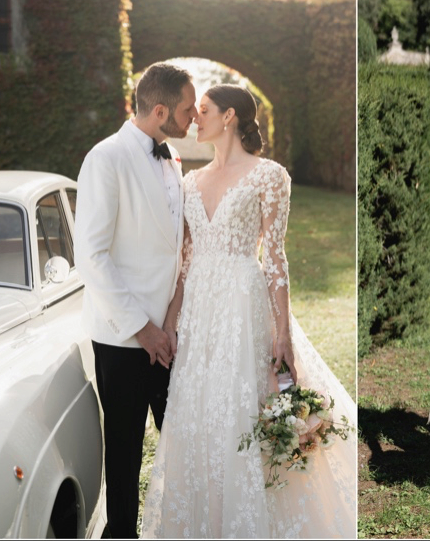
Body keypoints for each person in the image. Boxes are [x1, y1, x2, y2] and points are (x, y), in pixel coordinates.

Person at [140, 84, 357, 538]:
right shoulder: (188, 182)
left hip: (244, 307)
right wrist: (171, 324)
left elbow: (275, 258)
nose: (195, 119)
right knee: (201, 419)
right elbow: (184, 264)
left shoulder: (269, 176)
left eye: (203, 111)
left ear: (231, 117)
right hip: (200, 316)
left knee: (247, 413)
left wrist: (283, 334)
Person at [74, 61, 197, 538]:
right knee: (124, 453)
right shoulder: (105, 158)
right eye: (186, 110)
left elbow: (172, 248)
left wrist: (169, 326)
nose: (193, 118)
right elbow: (92, 257)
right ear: (161, 110)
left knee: (180, 444)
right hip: (123, 338)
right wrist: (142, 329)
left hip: (169, 336)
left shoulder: (174, 159)